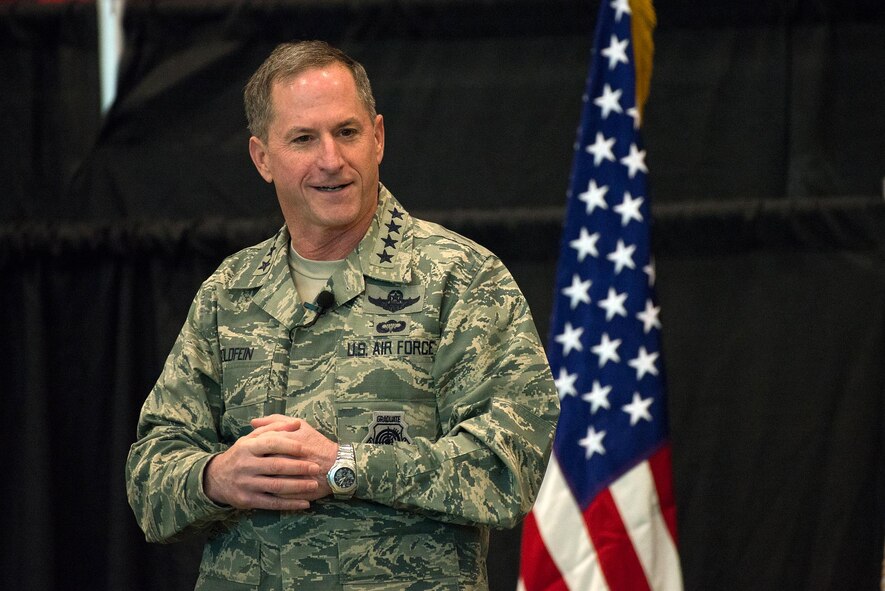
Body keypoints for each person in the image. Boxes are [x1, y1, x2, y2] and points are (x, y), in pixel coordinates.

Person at [125, 40, 559, 590]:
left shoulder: (462, 280)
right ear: (262, 158)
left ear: (377, 137)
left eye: (347, 132)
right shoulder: (229, 292)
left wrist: (343, 465)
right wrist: (216, 477)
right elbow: (148, 476)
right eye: (304, 139)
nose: (331, 160)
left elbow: (507, 469)